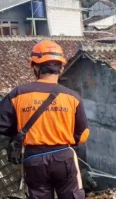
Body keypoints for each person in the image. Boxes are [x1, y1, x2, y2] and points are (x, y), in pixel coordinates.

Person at [0, 40, 90, 199]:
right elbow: (82, 135)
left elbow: (2, 125)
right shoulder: (73, 97)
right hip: (63, 157)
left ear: (34, 66)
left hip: (33, 160)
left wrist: (21, 130)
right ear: (61, 67)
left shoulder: (18, 94)